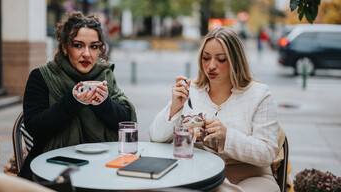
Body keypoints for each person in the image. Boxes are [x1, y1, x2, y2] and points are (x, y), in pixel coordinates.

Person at [149, 27, 279, 192]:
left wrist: (227, 135)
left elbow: (267, 153)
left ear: (235, 60)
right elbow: (156, 137)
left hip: (250, 174)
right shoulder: (192, 90)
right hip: (201, 170)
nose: (211, 66)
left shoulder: (259, 94)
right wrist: (175, 107)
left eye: (221, 59)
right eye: (206, 58)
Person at [19, 10, 137, 180]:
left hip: (102, 164)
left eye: (94, 46)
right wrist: (72, 101)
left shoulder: (105, 74)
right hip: (52, 166)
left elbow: (126, 122)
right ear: (65, 48)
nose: (87, 54)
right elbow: (35, 127)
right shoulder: (42, 76)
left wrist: (103, 103)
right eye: (78, 45)